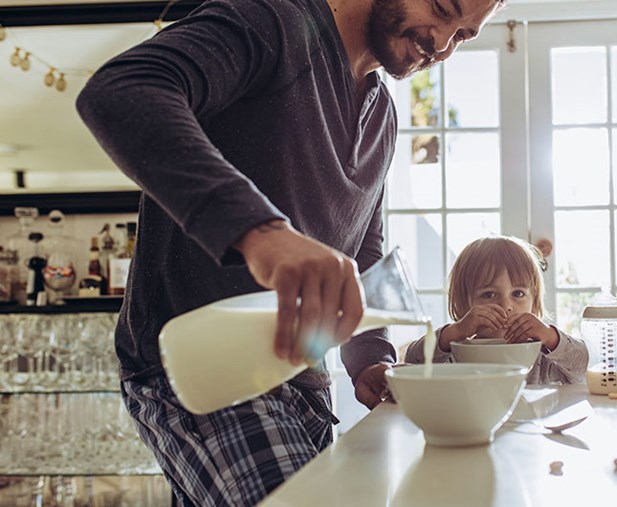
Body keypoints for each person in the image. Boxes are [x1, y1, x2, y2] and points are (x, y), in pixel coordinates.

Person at [75, 0, 504, 504]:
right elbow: (122, 91)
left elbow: (363, 248)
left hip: (303, 382)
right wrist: (262, 232)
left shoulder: (383, 117)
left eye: (464, 36)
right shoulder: (272, 23)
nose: (442, 44)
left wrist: (370, 359)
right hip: (203, 364)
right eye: (442, 8)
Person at [406, 236, 588, 384]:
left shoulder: (544, 353)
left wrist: (551, 337)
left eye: (517, 293)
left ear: (534, 303)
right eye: (488, 295)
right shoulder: (455, 351)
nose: (505, 305)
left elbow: (585, 368)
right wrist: (454, 332)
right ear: (463, 304)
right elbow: (412, 362)